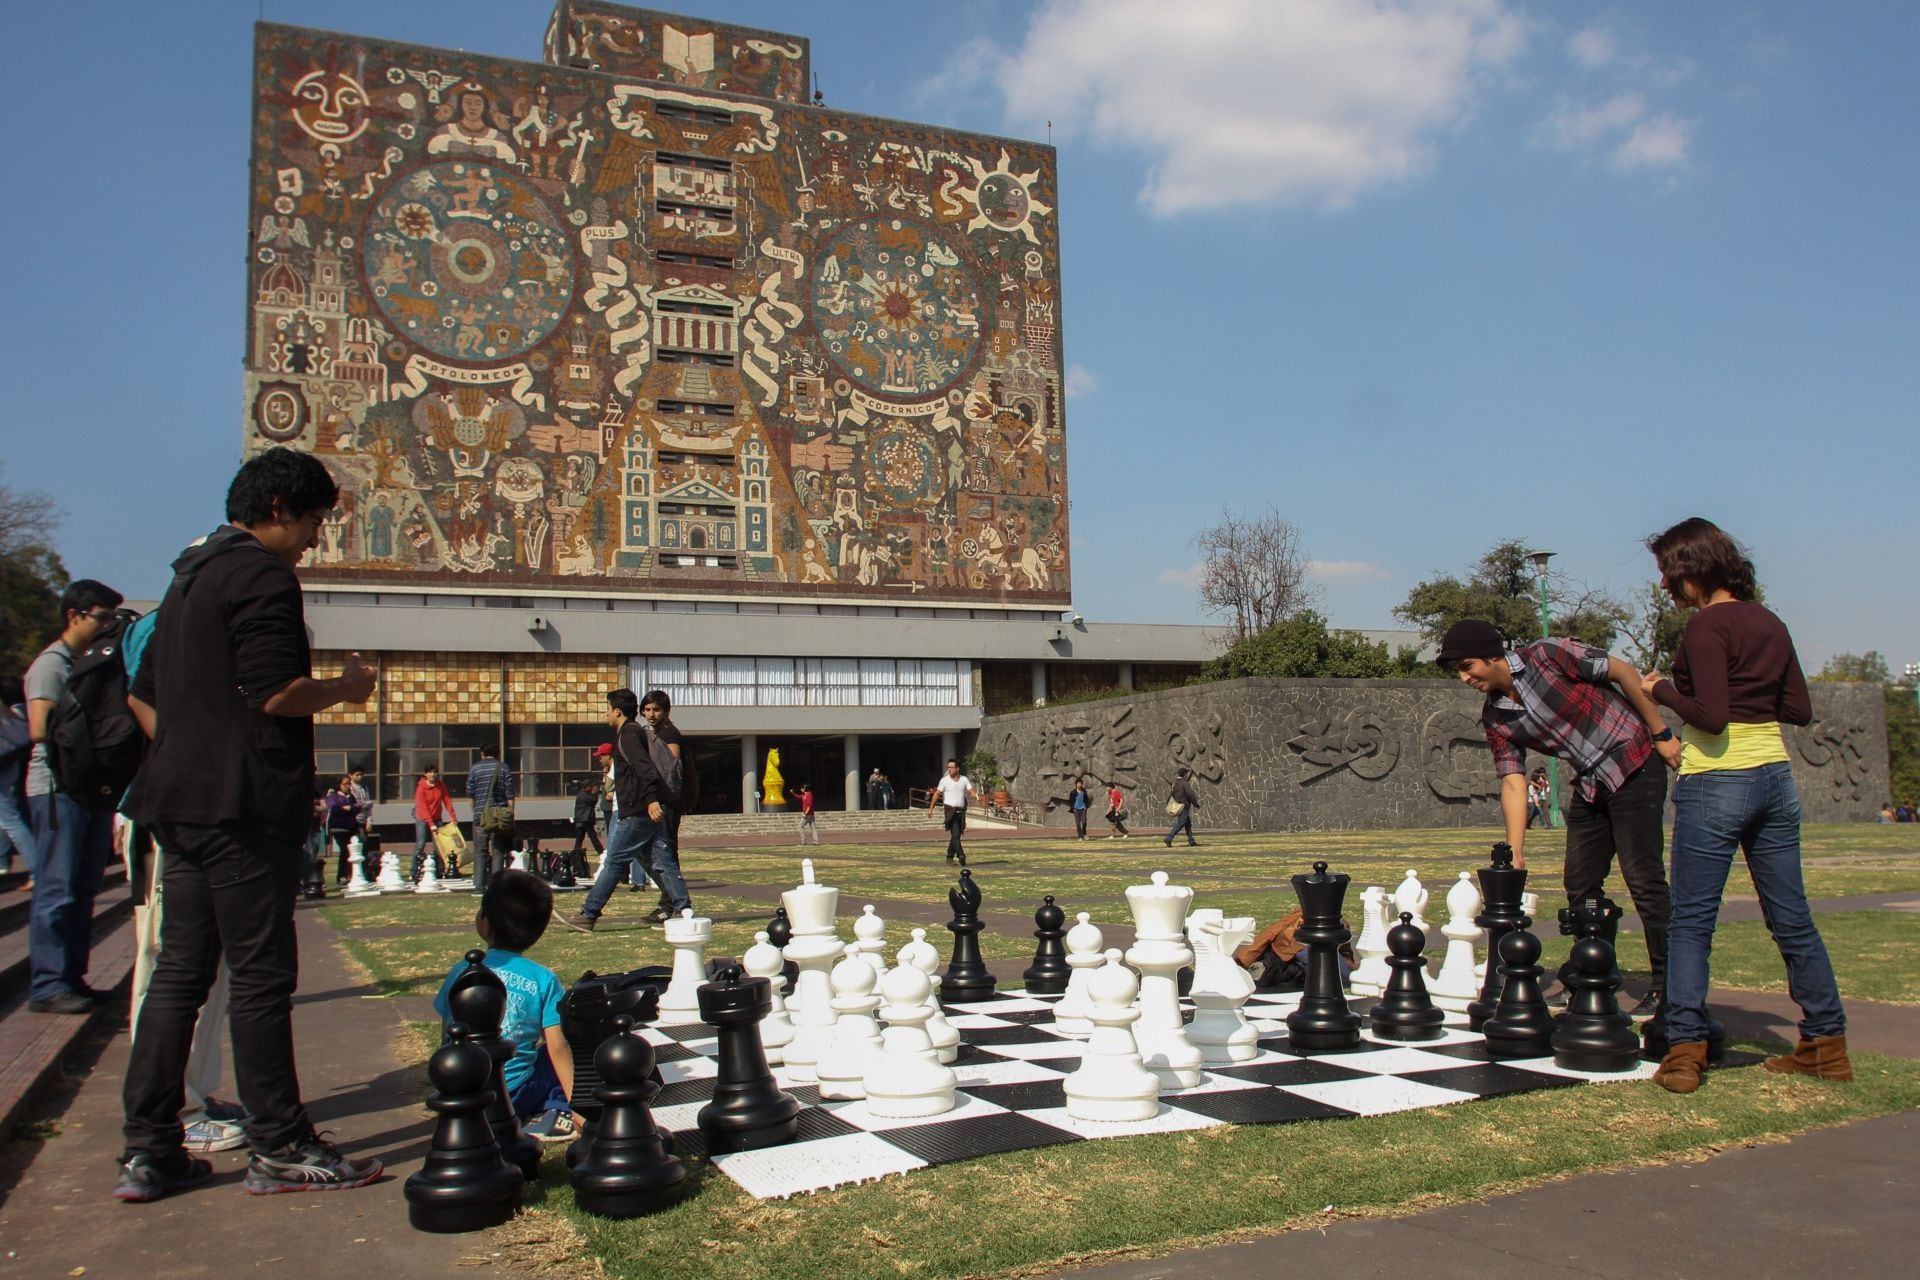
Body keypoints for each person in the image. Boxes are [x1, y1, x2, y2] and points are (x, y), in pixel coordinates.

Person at [118, 445, 382, 1200]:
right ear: (277, 511)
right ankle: (280, 1143)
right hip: (242, 808)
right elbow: (276, 693)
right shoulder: (262, 575)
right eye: (313, 522)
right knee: (262, 977)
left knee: (178, 977)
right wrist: (346, 687)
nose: (313, 540)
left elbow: (141, 695)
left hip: (178, 801)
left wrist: (190, 746)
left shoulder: (188, 575)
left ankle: (149, 1148)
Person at [1639, 518, 1849, 1092]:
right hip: (1775, 779)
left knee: (1690, 922)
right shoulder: (1771, 623)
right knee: (1791, 918)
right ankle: (1826, 1044)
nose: (1665, 586)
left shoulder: (1707, 628)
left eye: (1667, 573)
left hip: (1716, 779)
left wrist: (1659, 689)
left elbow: (1709, 716)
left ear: (1691, 569)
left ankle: (1684, 1051)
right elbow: (1800, 709)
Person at [1439, 617, 1679, 1019]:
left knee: (1643, 877)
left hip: (1634, 763)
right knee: (1580, 882)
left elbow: (1623, 672)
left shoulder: (1548, 655)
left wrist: (1661, 731)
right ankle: (1594, 972)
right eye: (1459, 672)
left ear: (1492, 655)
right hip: (1591, 782)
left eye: (1467, 667)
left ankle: (1670, 985)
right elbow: (1513, 784)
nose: (1465, 678)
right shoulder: (1495, 717)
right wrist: (1515, 853)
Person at [119, 608, 247, 1155]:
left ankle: (192, 1092)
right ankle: (176, 1107)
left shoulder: (183, 621)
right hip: (177, 813)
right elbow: (141, 698)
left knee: (207, 972)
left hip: (182, 808)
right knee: (174, 965)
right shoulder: (177, 625)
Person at [24, 578, 126, 1014]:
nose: (105, 627)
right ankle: (48, 983)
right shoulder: (52, 664)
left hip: (87, 789)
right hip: (55, 789)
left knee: (83, 888)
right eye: (100, 618)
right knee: (57, 889)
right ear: (74, 616)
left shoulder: (89, 661)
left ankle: (72, 976)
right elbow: (39, 727)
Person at [432, 869, 575, 1140]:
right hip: (515, 1095)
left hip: (463, 1092)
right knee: (566, 1049)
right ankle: (558, 1109)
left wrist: (447, 1087)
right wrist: (580, 1105)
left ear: (484, 923)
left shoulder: (462, 970)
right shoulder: (543, 978)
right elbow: (558, 1048)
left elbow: (446, 1034)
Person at [568, 689, 690, 931]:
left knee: (614, 861)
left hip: (637, 810)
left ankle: (588, 914)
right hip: (646, 808)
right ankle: (685, 909)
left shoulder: (628, 734)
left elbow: (645, 769)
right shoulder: (635, 732)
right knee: (663, 860)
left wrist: (652, 800)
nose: (605, 714)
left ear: (617, 711)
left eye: (607, 709)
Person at [0, 677, 36, 887]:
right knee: (6, 818)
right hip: (9, 761)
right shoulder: (7, 708)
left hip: (4, 763)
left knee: (11, 820)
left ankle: (38, 870)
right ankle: (2, 862)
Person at [465, 743, 514, 894]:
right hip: (499, 815)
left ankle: (479, 886)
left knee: (480, 851)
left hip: (480, 815)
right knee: (498, 850)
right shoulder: (503, 768)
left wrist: (476, 811)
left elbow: (470, 794)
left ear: (482, 754)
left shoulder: (475, 768)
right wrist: (511, 814)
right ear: (497, 753)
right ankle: (496, 886)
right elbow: (510, 794)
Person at [411, 765, 456, 880]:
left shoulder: (440, 785)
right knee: (420, 844)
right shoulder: (421, 788)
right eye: (430, 773)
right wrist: (431, 824)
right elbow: (423, 807)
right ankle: (414, 870)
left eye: (434, 772)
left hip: (437, 817)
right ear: (425, 774)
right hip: (422, 818)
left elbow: (447, 800)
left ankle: (439, 870)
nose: (432, 775)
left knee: (438, 846)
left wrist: (453, 817)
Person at [930, 758, 972, 866]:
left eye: (951, 767)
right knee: (956, 833)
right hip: (950, 811)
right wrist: (931, 808)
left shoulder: (964, 779)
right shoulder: (944, 780)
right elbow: (937, 794)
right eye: (948, 767)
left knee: (955, 835)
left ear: (957, 768)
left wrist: (976, 796)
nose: (949, 769)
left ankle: (949, 857)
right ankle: (961, 855)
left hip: (961, 811)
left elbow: (970, 790)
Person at [323, 775, 360, 883]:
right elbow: (334, 808)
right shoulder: (333, 796)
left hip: (351, 828)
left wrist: (350, 808)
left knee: (352, 851)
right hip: (337, 828)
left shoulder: (350, 796)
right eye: (345, 784)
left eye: (349, 784)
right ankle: (341, 876)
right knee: (344, 850)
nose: (348, 786)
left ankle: (351, 874)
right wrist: (346, 808)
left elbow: (357, 808)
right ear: (339, 785)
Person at [569, 775, 604, 876]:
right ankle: (599, 851)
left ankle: (576, 853)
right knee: (592, 837)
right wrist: (595, 793)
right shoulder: (583, 795)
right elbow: (592, 801)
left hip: (583, 819)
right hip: (584, 819)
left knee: (580, 839)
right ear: (586, 787)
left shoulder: (583, 794)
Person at [1164, 766, 1200, 848]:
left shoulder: (1175, 783)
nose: (1187, 775)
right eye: (1186, 773)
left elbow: (1171, 794)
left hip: (1178, 806)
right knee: (1181, 823)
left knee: (1187, 823)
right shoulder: (1184, 783)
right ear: (1184, 774)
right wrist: (1196, 804)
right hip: (1184, 806)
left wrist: (1167, 804)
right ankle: (1169, 837)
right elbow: (1190, 794)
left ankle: (1191, 840)